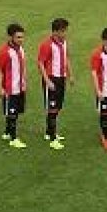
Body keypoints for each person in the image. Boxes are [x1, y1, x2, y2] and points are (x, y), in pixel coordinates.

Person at [0, 23, 28, 149]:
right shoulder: (4, 52)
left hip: (19, 87)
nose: (21, 40)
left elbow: (22, 66)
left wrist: (24, 81)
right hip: (9, 89)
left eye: (22, 37)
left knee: (15, 112)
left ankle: (7, 133)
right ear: (10, 37)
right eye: (18, 37)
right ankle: (13, 139)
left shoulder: (21, 49)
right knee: (12, 113)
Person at [37, 18, 70, 150]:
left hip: (61, 78)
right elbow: (40, 63)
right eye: (63, 31)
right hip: (51, 79)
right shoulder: (47, 45)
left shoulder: (64, 42)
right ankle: (52, 139)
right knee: (52, 108)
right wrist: (47, 80)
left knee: (58, 107)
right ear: (55, 31)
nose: (65, 33)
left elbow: (66, 58)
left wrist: (70, 74)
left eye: (65, 30)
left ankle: (49, 132)